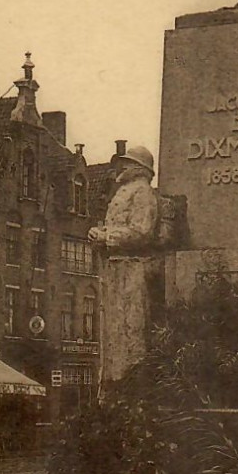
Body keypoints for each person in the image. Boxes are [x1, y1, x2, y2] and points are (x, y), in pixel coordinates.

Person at [89, 146, 173, 387]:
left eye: (127, 163)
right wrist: (99, 234)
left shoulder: (143, 193)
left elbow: (142, 232)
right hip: (114, 269)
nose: (121, 166)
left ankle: (131, 385)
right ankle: (115, 384)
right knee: (115, 330)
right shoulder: (122, 192)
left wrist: (107, 237)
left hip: (132, 268)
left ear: (139, 168)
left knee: (131, 328)